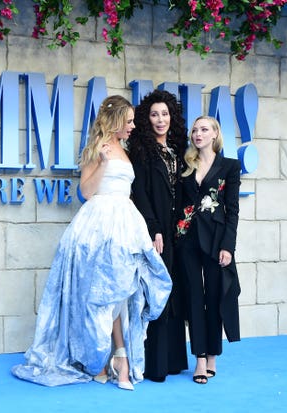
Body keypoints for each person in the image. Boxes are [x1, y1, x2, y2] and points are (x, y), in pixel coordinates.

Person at [11, 95, 172, 390]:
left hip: (125, 222)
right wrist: (102, 162)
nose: (134, 126)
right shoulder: (97, 148)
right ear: (115, 121)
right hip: (98, 224)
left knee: (124, 288)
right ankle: (114, 359)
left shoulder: (125, 149)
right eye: (129, 121)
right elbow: (85, 191)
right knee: (106, 291)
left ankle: (114, 358)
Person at [127, 90, 189, 382]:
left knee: (177, 293)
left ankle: (175, 360)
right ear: (146, 119)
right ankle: (156, 365)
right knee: (158, 294)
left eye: (165, 114)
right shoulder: (141, 150)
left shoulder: (179, 149)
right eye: (154, 114)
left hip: (181, 231)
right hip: (159, 231)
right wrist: (154, 228)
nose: (160, 119)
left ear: (172, 117)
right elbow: (139, 193)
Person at [175, 115, 241, 385]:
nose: (198, 134)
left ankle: (213, 353)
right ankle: (200, 358)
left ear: (215, 134)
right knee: (193, 296)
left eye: (204, 129)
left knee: (214, 297)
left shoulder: (230, 167)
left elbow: (233, 210)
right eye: (195, 130)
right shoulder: (185, 165)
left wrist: (228, 246)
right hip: (187, 239)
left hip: (216, 241)